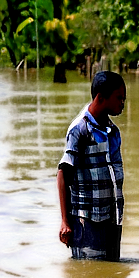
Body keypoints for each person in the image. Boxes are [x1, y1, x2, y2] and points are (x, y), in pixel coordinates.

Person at [57, 71, 126, 260]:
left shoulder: (113, 131)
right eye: (119, 98)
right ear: (101, 98)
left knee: (111, 274)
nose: (122, 103)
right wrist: (65, 222)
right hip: (87, 221)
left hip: (112, 218)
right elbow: (63, 174)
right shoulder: (79, 130)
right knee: (87, 277)